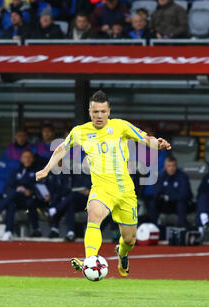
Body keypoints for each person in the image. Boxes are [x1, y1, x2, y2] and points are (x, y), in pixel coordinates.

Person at [35, 90, 171, 277]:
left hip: (125, 191)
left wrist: (159, 144)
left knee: (130, 240)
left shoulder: (120, 126)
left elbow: (146, 139)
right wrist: (46, 169)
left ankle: (121, 253)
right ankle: (90, 261)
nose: (99, 116)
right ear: (89, 112)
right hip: (101, 189)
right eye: (95, 112)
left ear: (109, 111)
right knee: (94, 215)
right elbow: (62, 147)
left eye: (102, 111)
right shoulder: (80, 131)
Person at [0, 150, 41, 241]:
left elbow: (42, 186)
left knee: (15, 197)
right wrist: (16, 190)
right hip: (16, 199)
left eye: (29, 157)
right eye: (25, 157)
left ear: (32, 159)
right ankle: (8, 232)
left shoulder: (37, 172)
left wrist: (31, 191)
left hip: (30, 200)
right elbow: (7, 187)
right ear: (21, 159)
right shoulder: (16, 172)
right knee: (11, 203)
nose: (27, 159)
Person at [148, 155, 193, 231]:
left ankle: (181, 229)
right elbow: (157, 192)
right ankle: (153, 229)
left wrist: (169, 196)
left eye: (173, 166)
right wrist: (166, 196)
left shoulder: (183, 176)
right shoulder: (161, 176)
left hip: (179, 205)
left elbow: (184, 194)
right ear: (165, 166)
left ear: (176, 166)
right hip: (166, 204)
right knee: (153, 202)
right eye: (169, 166)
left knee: (181, 202)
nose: (171, 168)